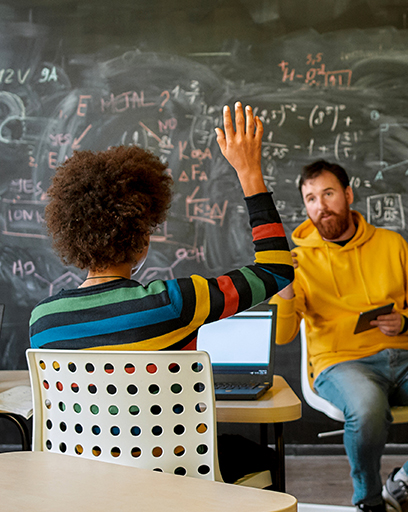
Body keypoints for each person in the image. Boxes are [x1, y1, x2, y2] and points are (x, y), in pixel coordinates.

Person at [29, 101, 294, 355]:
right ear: (143, 240)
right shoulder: (178, 302)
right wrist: (249, 173)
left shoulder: (43, 322)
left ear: (73, 235)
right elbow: (277, 271)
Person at [270, 159, 408, 512]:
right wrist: (283, 282)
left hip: (403, 354)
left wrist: (404, 321)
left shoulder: (393, 245)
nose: (321, 206)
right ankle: (370, 500)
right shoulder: (297, 261)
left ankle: (403, 481)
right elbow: (283, 335)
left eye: (328, 194)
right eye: (311, 199)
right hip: (341, 363)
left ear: (347, 195)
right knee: (365, 409)